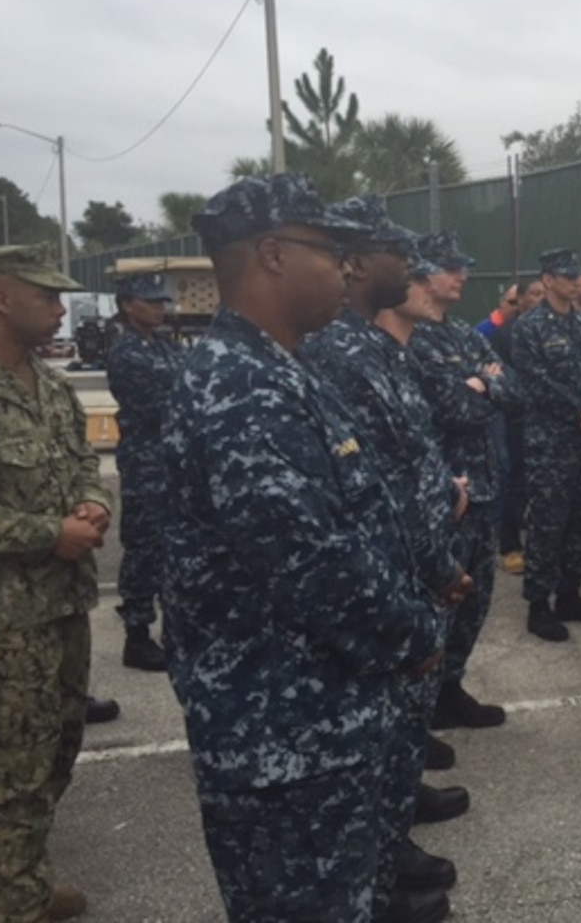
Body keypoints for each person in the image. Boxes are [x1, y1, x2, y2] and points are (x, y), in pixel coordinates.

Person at [159, 175, 446, 923]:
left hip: (316, 724)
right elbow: (314, 562)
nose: (346, 269)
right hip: (281, 738)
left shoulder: (279, 368)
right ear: (273, 254)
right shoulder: (241, 384)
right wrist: (412, 635)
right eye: (331, 251)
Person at [302, 198, 472, 900]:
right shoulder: (341, 353)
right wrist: (432, 562)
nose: (412, 269)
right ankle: (382, 852)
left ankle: (394, 819)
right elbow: (369, 487)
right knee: (381, 719)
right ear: (355, 262)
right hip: (393, 567)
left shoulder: (374, 347)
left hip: (418, 560)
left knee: (403, 718)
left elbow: (409, 459)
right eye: (398, 256)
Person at [0, 243, 111, 923]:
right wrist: (47, 533)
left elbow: (86, 467)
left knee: (56, 748)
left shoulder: (54, 387)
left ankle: (20, 874)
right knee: (13, 765)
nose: (59, 309)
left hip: (62, 606)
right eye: (45, 296)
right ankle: (15, 899)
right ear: (1, 296)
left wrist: (97, 504)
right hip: (6, 619)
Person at [409, 231, 517, 726]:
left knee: (474, 603)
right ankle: (420, 707)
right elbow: (450, 407)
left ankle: (450, 688)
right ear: (422, 272)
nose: (462, 275)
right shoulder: (414, 336)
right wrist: (480, 384)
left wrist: (485, 382)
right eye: (451, 267)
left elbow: (514, 388)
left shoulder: (462, 333)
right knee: (438, 604)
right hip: (446, 495)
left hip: (484, 489)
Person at [513, 247, 581, 642]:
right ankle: (539, 604)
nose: (575, 282)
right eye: (567, 276)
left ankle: (570, 593)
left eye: (579, 276)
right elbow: (534, 380)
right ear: (548, 279)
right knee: (548, 523)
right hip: (551, 440)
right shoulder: (530, 326)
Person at [104, 271, 184, 672]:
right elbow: (164, 403)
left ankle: (173, 631)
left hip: (173, 458)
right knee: (144, 546)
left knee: (174, 547)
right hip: (145, 460)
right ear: (127, 305)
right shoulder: (127, 353)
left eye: (161, 300)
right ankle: (136, 635)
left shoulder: (167, 347)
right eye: (149, 300)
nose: (158, 307)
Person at [489, 278, 543, 573]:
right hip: (516, 418)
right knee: (516, 480)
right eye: (533, 294)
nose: (539, 300)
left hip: (545, 422)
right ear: (520, 300)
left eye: (542, 295)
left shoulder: (545, 330)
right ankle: (509, 544)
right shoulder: (508, 333)